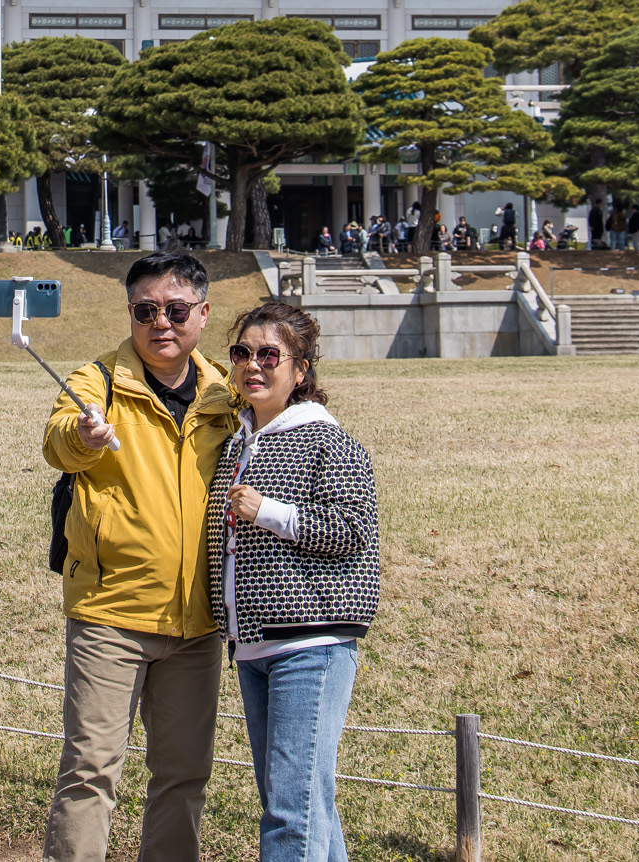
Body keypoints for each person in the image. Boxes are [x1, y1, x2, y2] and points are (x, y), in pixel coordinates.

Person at [42, 250, 237, 862]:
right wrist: (83, 435)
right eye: (145, 310)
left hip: (196, 622)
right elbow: (58, 442)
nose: (162, 323)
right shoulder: (94, 381)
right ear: (130, 314)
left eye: (176, 310)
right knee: (90, 771)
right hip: (110, 613)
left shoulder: (226, 397)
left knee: (183, 776)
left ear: (202, 315)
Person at [210, 302, 377, 862]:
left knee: (289, 812)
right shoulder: (237, 443)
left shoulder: (327, 440)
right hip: (253, 644)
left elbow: (353, 528)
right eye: (241, 353)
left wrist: (269, 511)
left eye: (268, 355)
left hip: (311, 642)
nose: (252, 365)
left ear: (300, 370)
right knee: (305, 805)